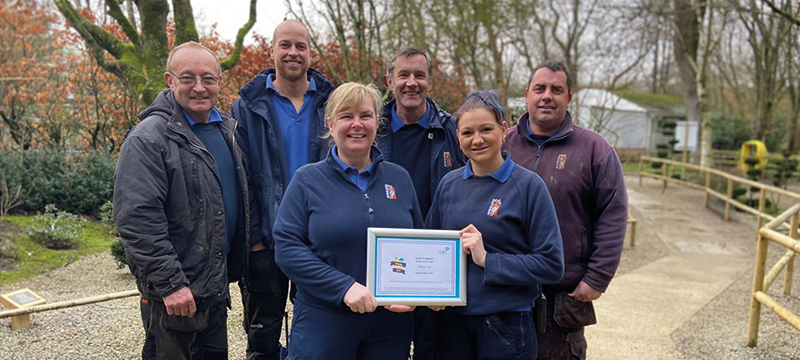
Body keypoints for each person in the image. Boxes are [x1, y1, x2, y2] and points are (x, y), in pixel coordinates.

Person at [113, 41, 249, 360]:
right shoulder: (149, 139)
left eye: (208, 78)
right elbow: (137, 219)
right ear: (169, 80)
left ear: (219, 81)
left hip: (213, 288)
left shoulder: (227, 130)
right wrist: (170, 283)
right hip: (175, 296)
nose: (199, 88)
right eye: (187, 78)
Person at [273, 82, 423, 360]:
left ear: (377, 123)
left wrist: (420, 293)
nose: (357, 124)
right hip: (324, 320)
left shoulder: (399, 178)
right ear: (330, 124)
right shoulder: (307, 180)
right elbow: (287, 248)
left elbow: (418, 245)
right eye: (346, 116)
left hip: (389, 326)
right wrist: (343, 287)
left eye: (365, 115)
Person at [425, 90, 564, 360]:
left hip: (506, 325)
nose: (477, 140)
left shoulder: (528, 186)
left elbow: (551, 264)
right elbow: (431, 251)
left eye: (486, 129)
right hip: (452, 325)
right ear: (458, 137)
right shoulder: (449, 186)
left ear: (503, 130)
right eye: (467, 133)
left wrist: (488, 260)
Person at [504, 61, 628, 359]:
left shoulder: (594, 150)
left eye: (556, 89)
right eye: (540, 88)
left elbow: (612, 215)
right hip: (506, 289)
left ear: (569, 97)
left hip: (562, 297)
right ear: (527, 94)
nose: (547, 96)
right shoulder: (503, 143)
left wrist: (597, 277)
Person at [231, 19, 334, 360]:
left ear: (310, 52)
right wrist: (254, 240)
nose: (293, 52)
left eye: (300, 46)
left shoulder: (331, 103)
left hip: (319, 241)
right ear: (272, 50)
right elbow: (241, 175)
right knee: (262, 342)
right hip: (266, 240)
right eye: (285, 45)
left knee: (318, 335)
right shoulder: (247, 105)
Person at [378, 47, 465, 359]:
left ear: (431, 82)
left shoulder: (453, 131)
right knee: (387, 348)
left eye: (419, 75)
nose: (411, 83)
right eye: (403, 75)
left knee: (433, 350)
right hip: (385, 264)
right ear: (390, 81)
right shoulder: (371, 130)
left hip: (437, 266)